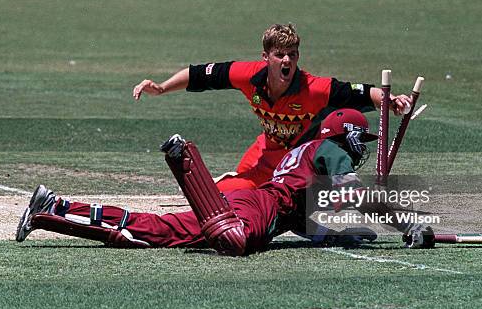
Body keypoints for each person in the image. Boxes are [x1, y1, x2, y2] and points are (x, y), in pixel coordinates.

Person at [16, 109, 434, 255]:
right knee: (234, 241)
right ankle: (184, 160)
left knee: (153, 233)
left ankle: (51, 209)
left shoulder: (309, 159)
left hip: (253, 206)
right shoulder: (329, 150)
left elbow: (300, 219)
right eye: (363, 139)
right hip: (252, 208)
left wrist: (337, 236)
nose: (363, 148)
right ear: (346, 134)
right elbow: (357, 193)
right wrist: (407, 222)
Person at [132, 24, 413, 191]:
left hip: (300, 162)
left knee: (297, 205)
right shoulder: (247, 75)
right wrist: (161, 88)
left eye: (292, 55)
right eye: (280, 55)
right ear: (266, 57)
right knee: (225, 197)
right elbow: (199, 75)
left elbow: (360, 92)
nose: (287, 61)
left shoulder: (313, 87)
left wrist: (391, 101)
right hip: (264, 155)